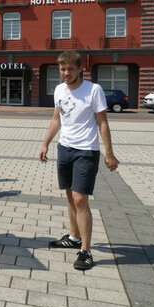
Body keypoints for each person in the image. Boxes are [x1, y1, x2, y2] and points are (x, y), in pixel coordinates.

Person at [39, 50, 119, 271]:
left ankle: (85, 251)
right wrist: (46, 143)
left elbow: (102, 122)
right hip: (65, 148)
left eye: (70, 69)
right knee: (69, 195)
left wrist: (109, 153)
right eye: (62, 69)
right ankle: (73, 236)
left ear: (79, 69)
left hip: (86, 150)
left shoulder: (93, 90)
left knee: (80, 199)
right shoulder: (59, 90)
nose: (65, 73)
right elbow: (57, 118)